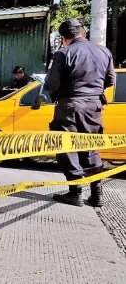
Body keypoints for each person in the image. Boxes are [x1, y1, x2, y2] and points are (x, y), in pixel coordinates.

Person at [44, 18, 115, 207]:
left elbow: (51, 85)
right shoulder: (104, 51)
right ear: (83, 33)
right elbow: (109, 81)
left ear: (64, 38)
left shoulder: (63, 54)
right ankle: (97, 193)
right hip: (94, 107)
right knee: (90, 146)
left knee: (65, 147)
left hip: (69, 106)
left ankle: (75, 192)